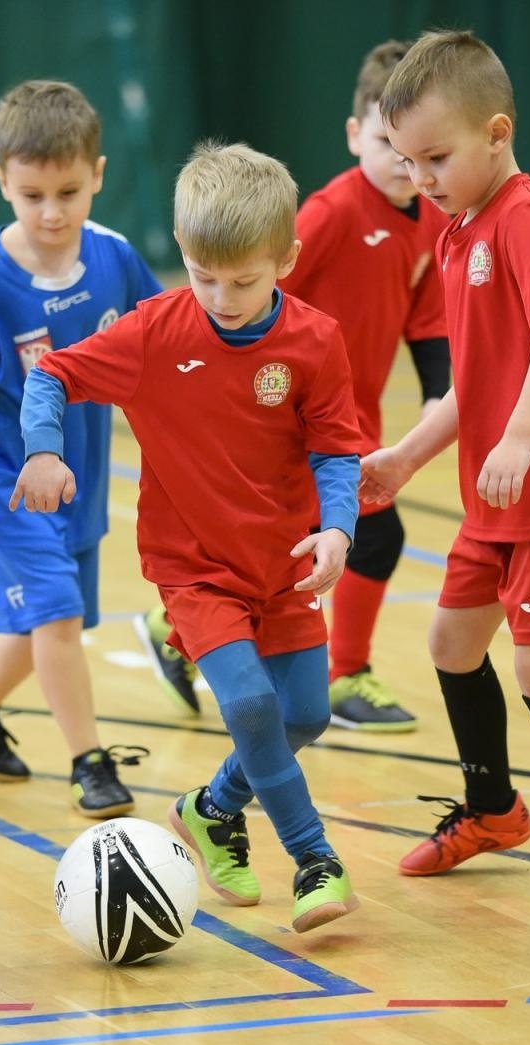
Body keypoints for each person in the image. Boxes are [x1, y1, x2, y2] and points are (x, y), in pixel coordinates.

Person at [13, 141, 364, 934]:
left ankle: (211, 808)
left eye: (243, 280)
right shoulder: (155, 332)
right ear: (184, 255)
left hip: (285, 563)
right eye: (204, 276)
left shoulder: (315, 342)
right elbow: (53, 374)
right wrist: (43, 445)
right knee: (247, 702)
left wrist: (337, 529)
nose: (223, 296)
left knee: (304, 714)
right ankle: (315, 859)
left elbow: (336, 448)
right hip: (195, 569)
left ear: (286, 258)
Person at [363, 30, 530, 908]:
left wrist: (519, 439)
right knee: (452, 644)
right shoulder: (455, 234)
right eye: (408, 163)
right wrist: (406, 456)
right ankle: (492, 810)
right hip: (497, 492)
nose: (423, 180)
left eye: (436, 157)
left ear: (497, 131)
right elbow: (470, 382)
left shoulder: (527, 218)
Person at [135, 41, 449, 733]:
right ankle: (343, 674)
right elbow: (253, 295)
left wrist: (438, 397)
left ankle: (175, 628)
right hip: (285, 414)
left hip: (345, 412)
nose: (404, 161)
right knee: (372, 535)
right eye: (386, 142)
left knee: (303, 550)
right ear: (354, 135)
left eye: (420, 148)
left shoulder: (432, 220)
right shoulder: (333, 213)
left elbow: (428, 321)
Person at [0, 80, 160, 818]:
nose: (51, 212)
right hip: (7, 479)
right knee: (56, 615)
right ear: (2, 183)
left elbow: (164, 342)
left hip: (81, 475)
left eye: (68, 191)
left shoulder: (117, 259)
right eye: (31, 196)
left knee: (48, 622)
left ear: (98, 175)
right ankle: (88, 762)